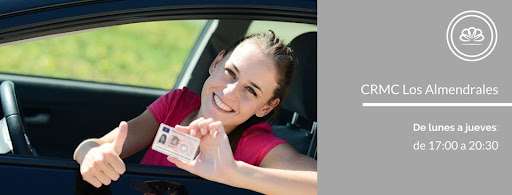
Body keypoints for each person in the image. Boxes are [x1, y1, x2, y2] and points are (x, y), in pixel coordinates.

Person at [73, 31, 317, 195]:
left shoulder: (256, 144)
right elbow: (93, 146)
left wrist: (234, 172)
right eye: (231, 73)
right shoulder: (176, 105)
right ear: (216, 63)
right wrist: (91, 154)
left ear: (266, 107)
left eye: (250, 91)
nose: (230, 92)